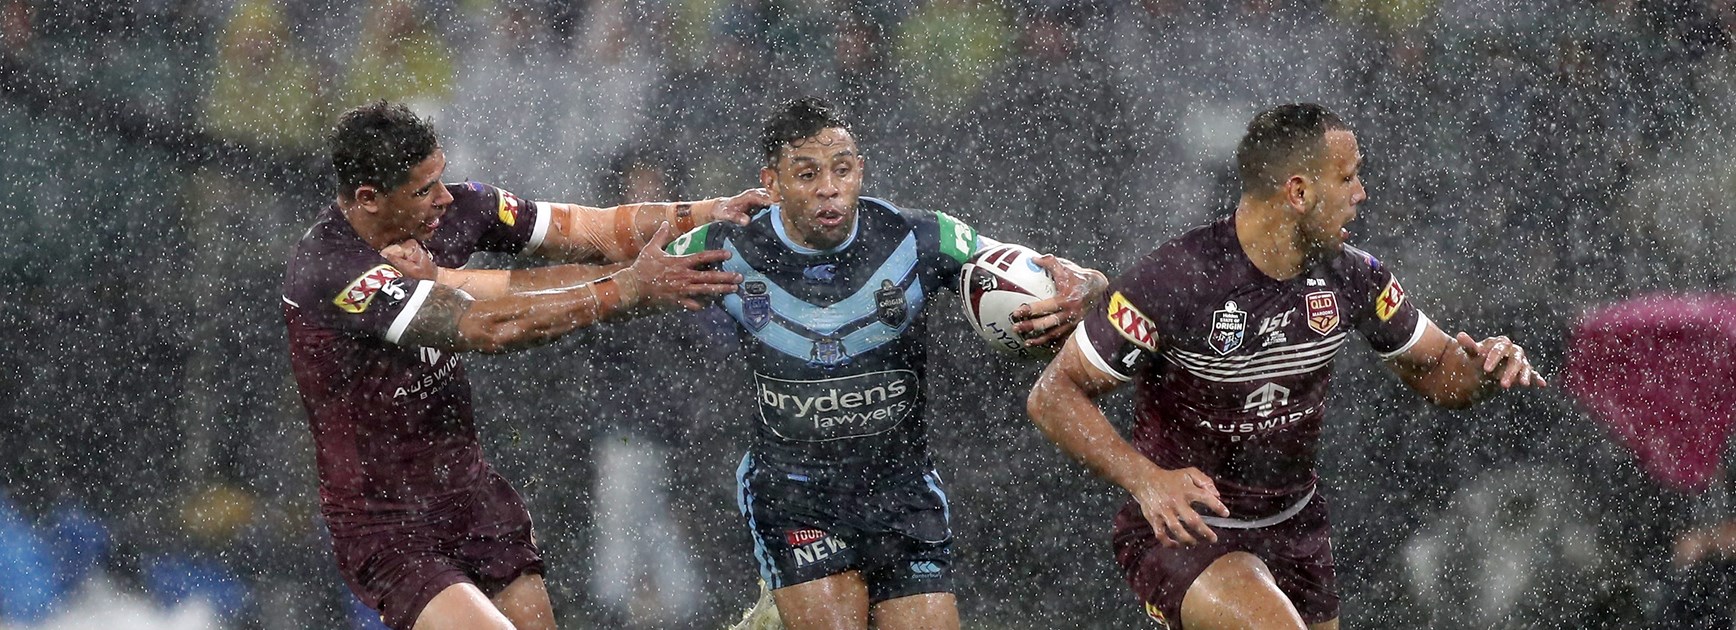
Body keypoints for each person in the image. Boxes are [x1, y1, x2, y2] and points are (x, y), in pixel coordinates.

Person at [1025, 103, 1547, 630]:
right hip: (1188, 530)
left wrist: (1484, 369)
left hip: (1296, 530)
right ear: (1298, 193)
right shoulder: (1178, 279)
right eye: (1347, 177)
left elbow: (1438, 369)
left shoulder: (1354, 278)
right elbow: (1053, 395)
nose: (1360, 193)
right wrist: (1147, 481)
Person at [281, 100, 766, 630]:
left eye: (439, 177)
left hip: (469, 492)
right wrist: (627, 289)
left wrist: (703, 213)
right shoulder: (331, 272)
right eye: (423, 190)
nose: (445, 197)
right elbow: (488, 326)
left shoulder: (459, 208)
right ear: (369, 199)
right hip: (387, 521)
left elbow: (589, 229)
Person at [665, 97, 1106, 630]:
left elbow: (1039, 273)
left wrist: (1090, 285)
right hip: (795, 492)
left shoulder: (917, 236)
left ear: (860, 170)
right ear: (772, 183)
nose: (829, 187)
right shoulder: (726, 245)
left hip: (901, 489)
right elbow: (629, 279)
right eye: (807, 173)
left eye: (842, 169)